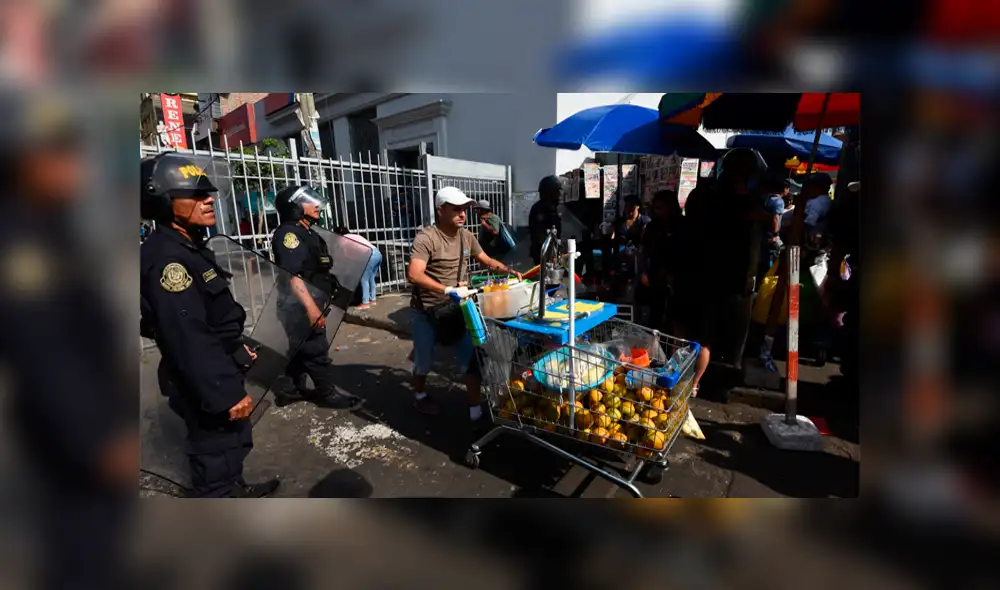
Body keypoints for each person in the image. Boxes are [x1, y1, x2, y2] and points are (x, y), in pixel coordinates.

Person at [140, 152, 280, 498]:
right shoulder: (168, 260)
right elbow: (186, 335)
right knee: (214, 451)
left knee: (232, 442)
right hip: (203, 378)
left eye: (208, 194)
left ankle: (232, 488)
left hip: (216, 362)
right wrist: (225, 392)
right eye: (196, 195)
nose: (208, 200)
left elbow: (208, 313)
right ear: (163, 201)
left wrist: (234, 345)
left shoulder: (188, 246)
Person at [406, 186, 522, 427]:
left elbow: (487, 260)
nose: (463, 214)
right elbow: (414, 274)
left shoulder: (467, 237)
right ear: (441, 210)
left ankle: (474, 410)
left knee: (472, 358)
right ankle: (418, 395)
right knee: (424, 361)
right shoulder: (426, 238)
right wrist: (446, 289)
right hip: (427, 311)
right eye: (456, 209)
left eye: (465, 209)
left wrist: (509, 271)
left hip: (460, 308)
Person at [677, 148, 767, 389]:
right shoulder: (745, 203)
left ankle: (695, 380)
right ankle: (698, 381)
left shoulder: (705, 196)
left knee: (706, 334)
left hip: (714, 277)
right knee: (714, 334)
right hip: (721, 279)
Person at [271, 184, 364, 410]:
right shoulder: (289, 234)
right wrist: (311, 309)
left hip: (312, 300)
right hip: (299, 305)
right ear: (295, 208)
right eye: (309, 201)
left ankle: (289, 389)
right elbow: (294, 276)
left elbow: (318, 269)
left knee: (299, 347)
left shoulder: (309, 232)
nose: (316, 205)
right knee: (315, 348)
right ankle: (327, 394)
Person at [639, 190, 683, 331]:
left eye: (660, 208)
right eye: (655, 208)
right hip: (656, 279)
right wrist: (644, 271)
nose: (657, 211)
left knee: (675, 322)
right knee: (656, 319)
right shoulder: (652, 227)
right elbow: (645, 251)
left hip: (679, 281)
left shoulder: (682, 225)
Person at [757, 176, 788, 285]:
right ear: (784, 189)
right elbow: (775, 218)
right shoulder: (779, 201)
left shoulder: (767, 199)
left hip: (762, 235)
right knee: (771, 262)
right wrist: (775, 234)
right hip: (771, 236)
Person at [341, 229, 381, 310]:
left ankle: (365, 303)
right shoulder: (355, 236)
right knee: (371, 277)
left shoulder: (343, 239)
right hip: (377, 253)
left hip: (370, 255)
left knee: (364, 279)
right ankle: (373, 300)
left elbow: (346, 255)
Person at [529, 175, 563, 265]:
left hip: (554, 252)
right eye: (556, 191)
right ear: (548, 192)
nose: (559, 194)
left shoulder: (555, 208)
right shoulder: (539, 209)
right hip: (544, 253)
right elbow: (538, 234)